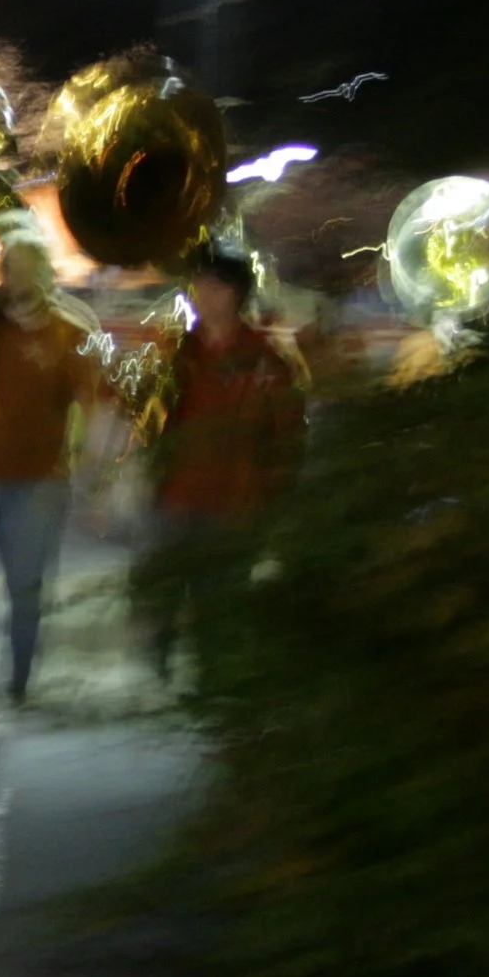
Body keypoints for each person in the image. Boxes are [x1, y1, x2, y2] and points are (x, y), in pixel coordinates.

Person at [0, 238, 105, 708]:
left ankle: (19, 676)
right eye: (10, 270)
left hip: (38, 483)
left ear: (47, 278)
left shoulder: (69, 335)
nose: (18, 281)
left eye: (29, 271)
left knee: (26, 584)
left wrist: (97, 473)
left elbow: (94, 407)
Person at [140, 250, 309, 678]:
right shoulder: (178, 353)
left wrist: (274, 496)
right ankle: (162, 657)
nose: (200, 294)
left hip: (236, 500)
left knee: (218, 600)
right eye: (199, 285)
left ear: (233, 294)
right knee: (165, 588)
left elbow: (287, 433)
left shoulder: (265, 361)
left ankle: (211, 680)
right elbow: (154, 422)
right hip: (177, 495)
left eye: (211, 286)